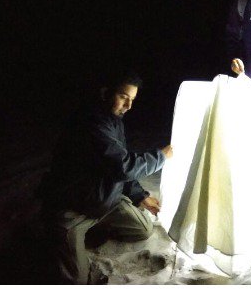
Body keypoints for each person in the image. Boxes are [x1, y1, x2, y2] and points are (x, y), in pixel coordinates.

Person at [39, 71, 172, 284]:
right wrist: (160, 156)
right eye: (123, 96)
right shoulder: (90, 122)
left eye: (132, 100)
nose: (128, 105)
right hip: (73, 208)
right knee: (75, 280)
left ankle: (93, 231)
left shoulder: (114, 120)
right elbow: (123, 166)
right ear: (105, 92)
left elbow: (115, 167)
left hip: (103, 200)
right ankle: (58, 236)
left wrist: (139, 196)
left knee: (142, 229)